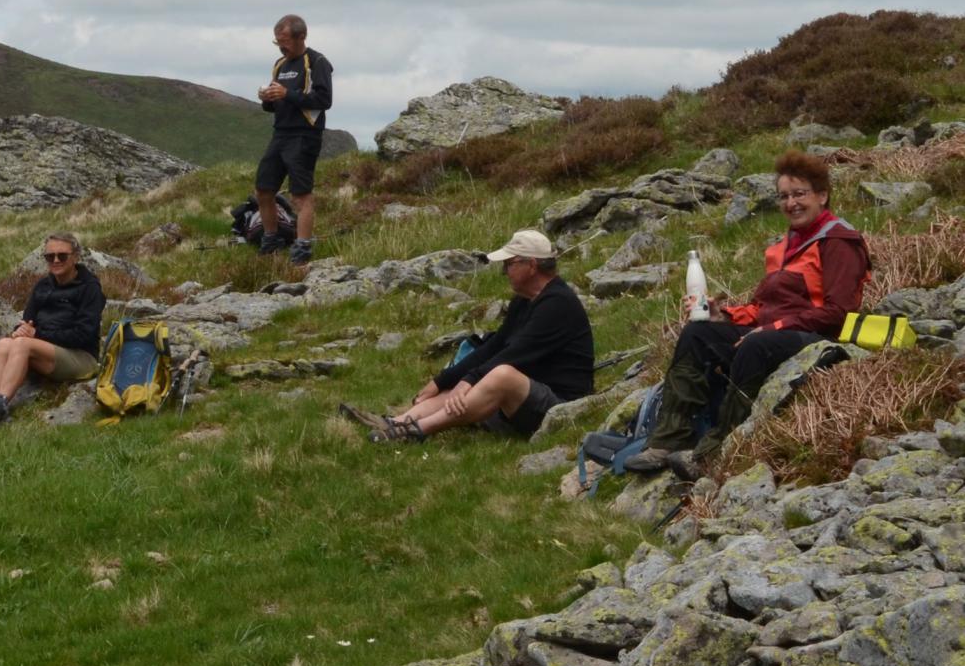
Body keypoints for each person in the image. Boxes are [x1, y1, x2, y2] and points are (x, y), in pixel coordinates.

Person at [623, 151, 870, 479]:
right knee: (698, 333)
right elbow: (763, 307)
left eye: (800, 194)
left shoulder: (839, 241)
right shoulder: (787, 245)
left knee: (757, 345)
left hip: (820, 338)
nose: (791, 203)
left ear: (822, 196)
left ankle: (714, 453)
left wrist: (775, 327)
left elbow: (839, 313)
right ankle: (668, 440)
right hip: (776, 332)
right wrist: (721, 316)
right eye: (784, 196)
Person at [351, 229, 594, 443]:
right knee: (468, 383)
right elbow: (495, 346)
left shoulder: (558, 304)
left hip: (562, 408)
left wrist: (469, 380)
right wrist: (442, 381)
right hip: (525, 399)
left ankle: (417, 431)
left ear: (531, 265)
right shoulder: (525, 300)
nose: (505, 271)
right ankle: (397, 422)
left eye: (509, 264)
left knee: (502, 375)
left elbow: (515, 353)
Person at [0, 232, 105, 427]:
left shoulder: (89, 288)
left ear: (75, 256)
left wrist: (36, 335)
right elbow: (27, 321)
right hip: (48, 352)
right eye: (50, 257)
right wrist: (20, 329)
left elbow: (83, 334)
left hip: (82, 357)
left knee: (23, 344)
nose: (56, 260)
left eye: (62, 256)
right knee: (5, 343)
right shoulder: (43, 286)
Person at [254, 14, 333, 265]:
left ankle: (302, 250)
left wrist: (289, 93)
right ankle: (271, 240)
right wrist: (267, 99)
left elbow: (323, 101)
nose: (281, 47)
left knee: (301, 195)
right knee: (264, 189)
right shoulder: (279, 64)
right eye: (277, 42)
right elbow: (275, 105)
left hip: (304, 135)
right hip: (280, 133)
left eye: (285, 41)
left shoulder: (317, 62)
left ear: (301, 37)